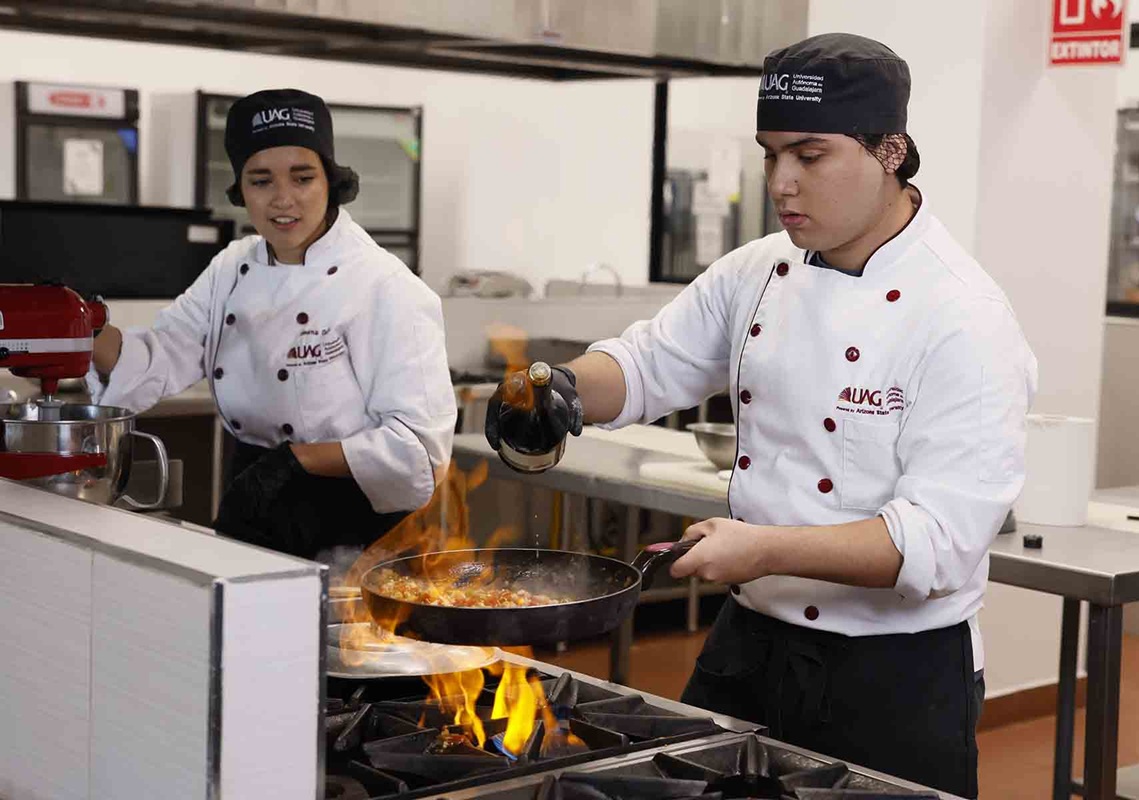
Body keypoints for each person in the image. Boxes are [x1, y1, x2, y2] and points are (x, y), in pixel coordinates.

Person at [485, 34, 1036, 798]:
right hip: (748, 647)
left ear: (891, 151)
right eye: (770, 154)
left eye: (809, 156)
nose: (782, 183)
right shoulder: (759, 269)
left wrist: (762, 549)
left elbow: (936, 543)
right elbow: (650, 363)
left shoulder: (965, 318)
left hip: (893, 679)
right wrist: (559, 390)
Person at [89, 88, 456, 560]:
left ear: (331, 181)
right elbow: (165, 351)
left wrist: (295, 462)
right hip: (255, 497)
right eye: (261, 181)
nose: (283, 200)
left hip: (352, 526)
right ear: (240, 189)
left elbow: (419, 449)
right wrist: (79, 329)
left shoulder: (384, 286)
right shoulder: (231, 266)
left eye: (302, 177)